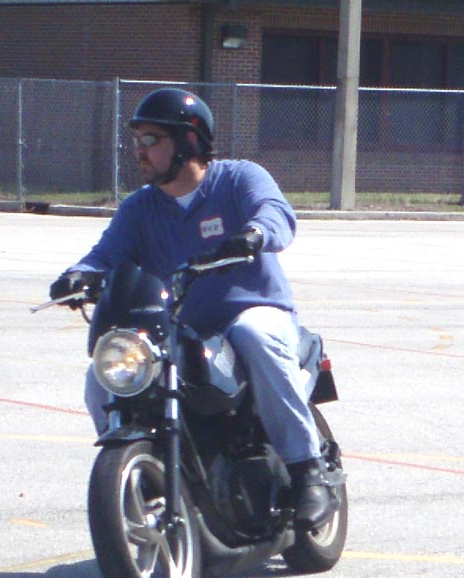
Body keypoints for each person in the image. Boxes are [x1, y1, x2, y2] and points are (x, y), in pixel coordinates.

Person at [51, 87, 334, 530]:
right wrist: (78, 276)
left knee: (254, 335)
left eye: (151, 140)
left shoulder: (238, 179)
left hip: (255, 311)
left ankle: (307, 472)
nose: (139, 151)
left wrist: (255, 234)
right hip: (183, 327)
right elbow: (105, 254)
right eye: (137, 141)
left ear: (188, 142)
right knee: (103, 377)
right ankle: (144, 474)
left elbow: (276, 213)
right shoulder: (140, 208)